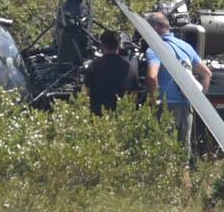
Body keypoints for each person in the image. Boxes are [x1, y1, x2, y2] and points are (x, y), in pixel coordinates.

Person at [145, 10, 213, 150]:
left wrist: (153, 99)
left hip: (167, 106)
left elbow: (152, 77)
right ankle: (184, 172)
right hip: (186, 106)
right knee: (183, 152)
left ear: (155, 28)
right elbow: (207, 73)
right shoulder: (185, 46)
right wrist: (200, 98)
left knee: (165, 151)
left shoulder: (155, 49)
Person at [83, 29, 136, 116]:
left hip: (98, 117)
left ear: (102, 45)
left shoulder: (93, 66)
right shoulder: (129, 68)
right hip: (121, 116)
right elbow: (134, 94)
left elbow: (87, 92)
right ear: (119, 45)